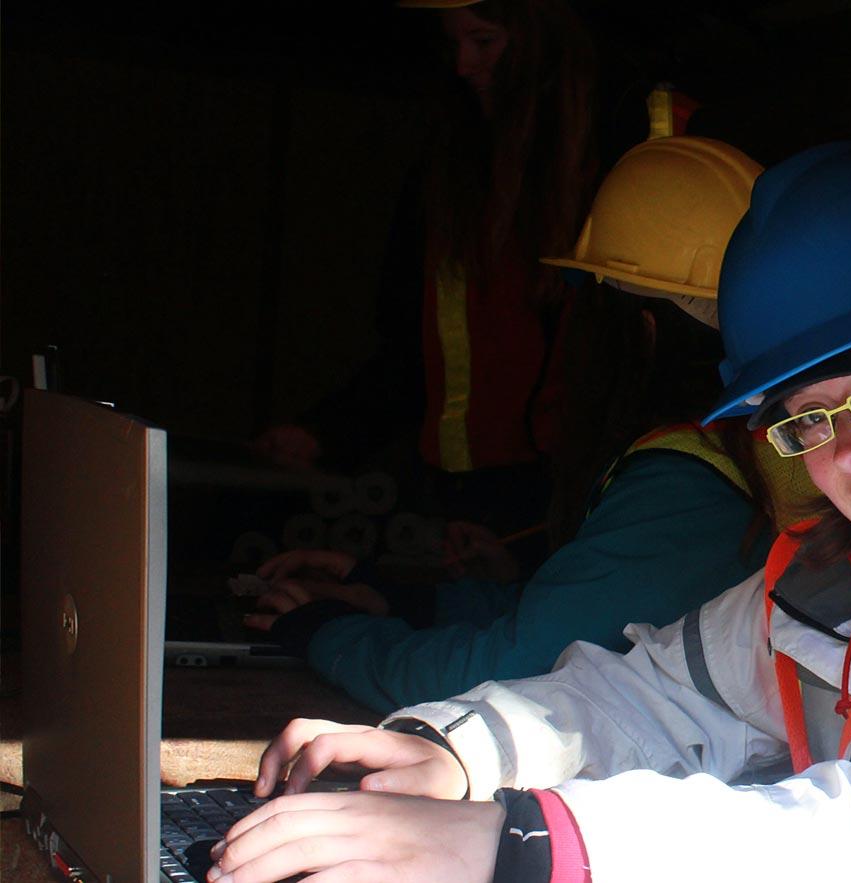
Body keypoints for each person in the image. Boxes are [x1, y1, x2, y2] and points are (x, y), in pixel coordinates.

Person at [211, 143, 851, 882]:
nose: (849, 451)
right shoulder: (829, 571)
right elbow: (651, 695)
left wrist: (525, 840)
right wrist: (457, 752)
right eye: (805, 423)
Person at [240, 137, 819, 714]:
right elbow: (582, 615)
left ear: (640, 332)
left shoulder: (686, 481)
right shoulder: (759, 448)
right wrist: (397, 597)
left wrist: (325, 633)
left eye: (583, 313)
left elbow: (511, 674)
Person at [255, 0, 599, 549]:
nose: (463, 65)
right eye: (454, 44)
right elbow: (410, 353)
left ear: (541, 44)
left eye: (483, 42)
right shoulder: (444, 179)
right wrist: (326, 432)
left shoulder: (606, 175)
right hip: (457, 495)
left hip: (565, 501)